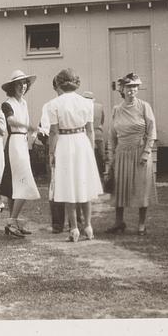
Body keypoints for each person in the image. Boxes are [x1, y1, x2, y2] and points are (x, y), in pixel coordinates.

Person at [48, 69, 103, 242]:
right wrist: (91, 150)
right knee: (83, 186)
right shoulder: (87, 103)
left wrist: (51, 152)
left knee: (68, 187)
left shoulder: (54, 104)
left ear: (59, 83)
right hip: (82, 143)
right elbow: (90, 130)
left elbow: (54, 132)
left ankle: (74, 229)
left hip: (64, 143)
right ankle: (87, 226)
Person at [105, 73, 158, 236]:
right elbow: (112, 136)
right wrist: (111, 158)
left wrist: (146, 152)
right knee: (119, 189)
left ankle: (141, 224)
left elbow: (152, 131)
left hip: (140, 153)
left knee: (141, 188)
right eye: (128, 87)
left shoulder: (144, 107)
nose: (132, 90)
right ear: (122, 89)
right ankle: (119, 222)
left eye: (135, 86)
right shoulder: (116, 109)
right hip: (122, 154)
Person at [0, 70, 41, 237]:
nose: (22, 87)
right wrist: (28, 126)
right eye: (19, 84)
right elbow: (10, 120)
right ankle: (11, 221)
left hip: (22, 142)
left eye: (24, 84)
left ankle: (14, 222)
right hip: (14, 143)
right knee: (23, 183)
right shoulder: (7, 104)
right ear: (12, 87)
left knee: (13, 184)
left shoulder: (23, 103)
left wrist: (32, 135)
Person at [39, 77, 72, 234]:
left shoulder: (75, 102)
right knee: (56, 185)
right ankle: (58, 224)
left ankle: (75, 223)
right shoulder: (49, 106)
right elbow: (47, 130)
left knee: (70, 183)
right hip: (57, 146)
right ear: (55, 87)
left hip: (69, 147)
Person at [82, 91, 106, 180]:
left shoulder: (82, 107)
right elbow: (102, 120)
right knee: (101, 155)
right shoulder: (99, 107)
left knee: (87, 156)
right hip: (98, 133)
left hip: (86, 134)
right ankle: (101, 175)